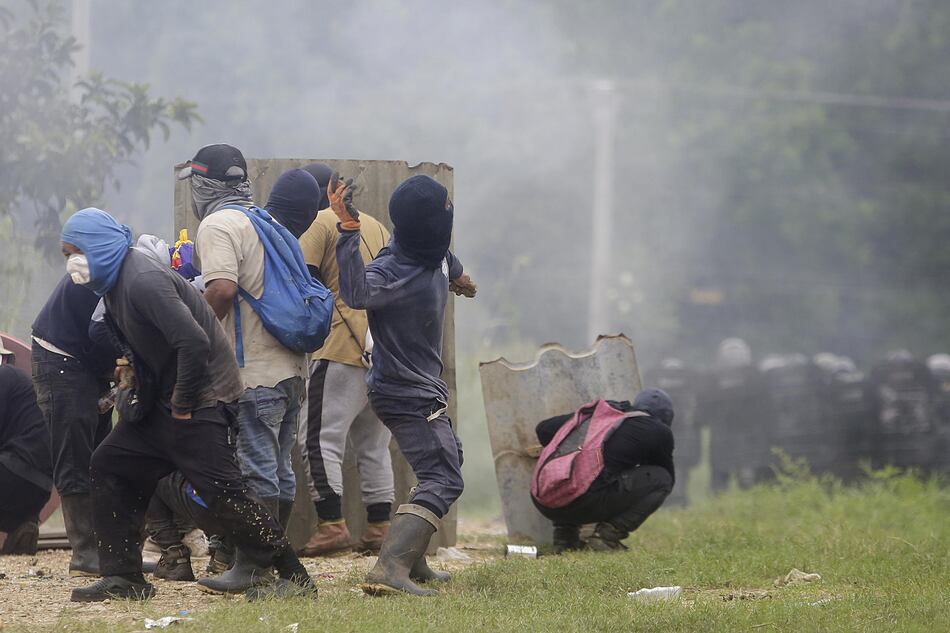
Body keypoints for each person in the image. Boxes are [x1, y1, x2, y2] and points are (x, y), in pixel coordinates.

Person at [61, 208, 314, 602]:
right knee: (110, 464)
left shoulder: (142, 280)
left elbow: (194, 343)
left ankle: (294, 579)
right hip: (162, 399)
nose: (71, 261)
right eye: (66, 253)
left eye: (76, 251)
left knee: (225, 494)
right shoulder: (112, 284)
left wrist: (182, 404)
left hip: (200, 397)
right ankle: (124, 578)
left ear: (98, 246)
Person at [334, 174, 476, 596]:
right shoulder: (391, 270)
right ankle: (389, 566)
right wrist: (347, 234)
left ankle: (413, 558)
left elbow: (452, 263)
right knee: (444, 475)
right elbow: (357, 294)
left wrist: (461, 280)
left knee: (450, 457)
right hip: (403, 391)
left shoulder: (433, 255)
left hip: (419, 389)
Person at [183, 144, 310, 593]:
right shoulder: (268, 221)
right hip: (292, 367)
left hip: (254, 369)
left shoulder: (218, 225)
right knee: (279, 467)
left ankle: (254, 567)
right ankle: (275, 567)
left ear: (202, 185)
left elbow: (219, 291)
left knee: (256, 470)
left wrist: (186, 336)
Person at [297, 163, 395, 556]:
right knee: (373, 445)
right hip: (381, 346)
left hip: (338, 343)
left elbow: (303, 280)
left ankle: (332, 525)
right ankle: (380, 528)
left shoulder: (319, 221)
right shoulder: (376, 226)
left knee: (318, 439)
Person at [31, 266, 117, 576]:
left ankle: (107, 551)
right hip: (61, 358)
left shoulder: (126, 272)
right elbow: (101, 332)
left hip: (87, 360)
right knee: (75, 456)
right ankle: (85, 554)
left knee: (102, 456)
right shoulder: (112, 271)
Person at [531, 389, 675, 553]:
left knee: (580, 471)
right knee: (662, 479)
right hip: (584, 502)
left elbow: (542, 429)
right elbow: (667, 474)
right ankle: (606, 537)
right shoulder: (659, 431)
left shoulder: (600, 415)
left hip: (543, 500)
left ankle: (565, 539)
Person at [0, 342, 53, 555]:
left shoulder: (4, 376)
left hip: (12, 475)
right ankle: (21, 526)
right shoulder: (20, 384)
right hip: (39, 489)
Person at [704, 338, 770, 491]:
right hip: (735, 438)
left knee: (736, 481)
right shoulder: (757, 380)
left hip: (739, 438)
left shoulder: (713, 380)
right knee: (734, 481)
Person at [652, 358, 700, 505]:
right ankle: (671, 498)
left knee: (681, 469)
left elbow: (691, 415)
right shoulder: (659, 392)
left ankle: (679, 497)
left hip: (679, 434)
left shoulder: (686, 392)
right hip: (666, 434)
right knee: (671, 468)